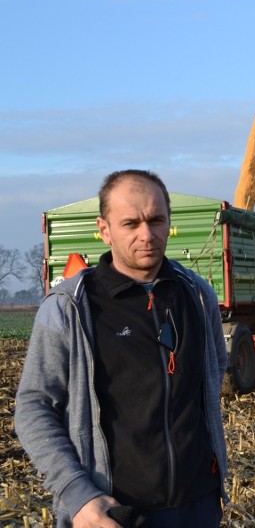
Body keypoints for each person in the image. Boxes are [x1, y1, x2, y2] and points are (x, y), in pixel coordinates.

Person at [15, 170, 229, 527]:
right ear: (104, 229)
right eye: (131, 223)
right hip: (115, 513)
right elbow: (33, 407)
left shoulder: (197, 295)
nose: (146, 235)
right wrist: (77, 493)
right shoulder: (71, 306)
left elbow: (213, 371)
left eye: (156, 220)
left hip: (198, 505)